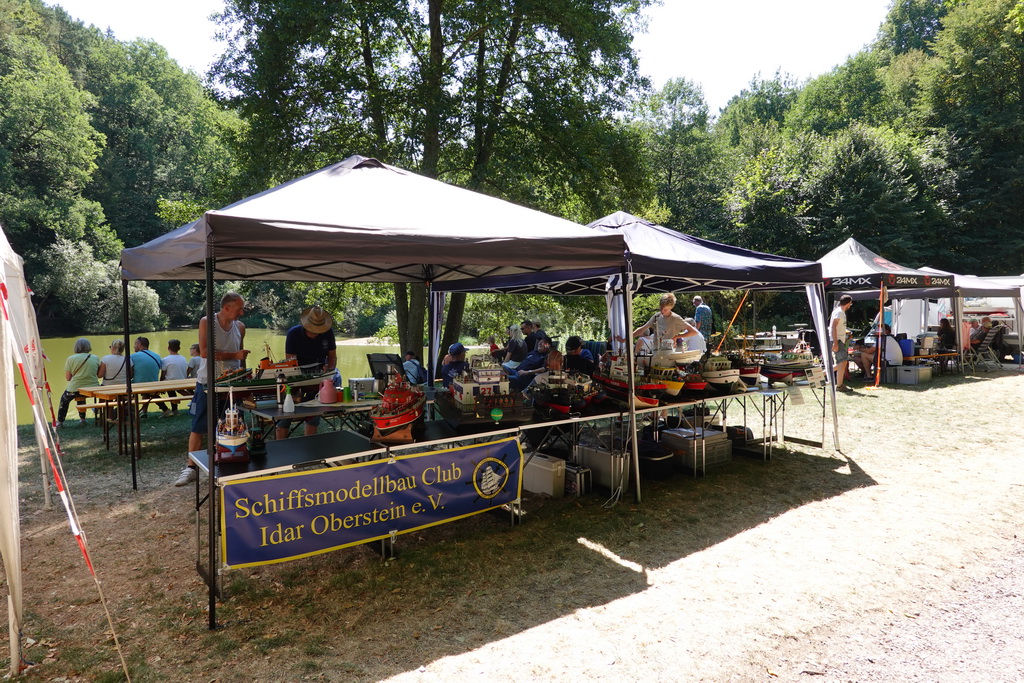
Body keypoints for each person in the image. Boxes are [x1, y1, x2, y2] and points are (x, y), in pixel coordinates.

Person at [176, 292, 250, 487]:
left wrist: (245, 378)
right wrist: (234, 354)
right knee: (199, 426)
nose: (242, 313)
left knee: (233, 425)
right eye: (239, 309)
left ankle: (231, 464)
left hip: (233, 384)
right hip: (207, 383)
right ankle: (191, 468)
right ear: (226, 307)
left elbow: (241, 357)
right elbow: (204, 352)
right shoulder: (207, 322)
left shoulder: (240, 327)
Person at [275, 306, 338, 441]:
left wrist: (329, 369)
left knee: (314, 411)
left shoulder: (328, 332)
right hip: (297, 374)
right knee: (286, 412)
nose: (316, 333)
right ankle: (279, 445)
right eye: (313, 329)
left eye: (319, 329)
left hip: (319, 374)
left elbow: (332, 356)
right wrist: (298, 380)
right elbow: (290, 360)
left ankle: (309, 445)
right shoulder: (293, 333)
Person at [58, 338, 100, 427]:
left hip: (75, 389)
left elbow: (68, 378)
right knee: (81, 396)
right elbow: (98, 374)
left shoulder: (71, 359)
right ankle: (82, 420)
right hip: (93, 388)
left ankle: (60, 421)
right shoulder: (95, 358)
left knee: (64, 399)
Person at [621, 293, 692, 347]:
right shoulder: (656, 316)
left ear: (671, 308)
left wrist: (677, 336)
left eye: (665, 309)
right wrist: (625, 339)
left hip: (670, 352)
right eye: (661, 308)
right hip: (656, 351)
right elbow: (642, 329)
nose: (662, 311)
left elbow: (693, 332)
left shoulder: (675, 318)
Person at [130, 337, 163, 418]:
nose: (134, 346)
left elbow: (129, 373)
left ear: (139, 344)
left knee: (127, 386)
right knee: (148, 392)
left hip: (139, 384)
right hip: (153, 383)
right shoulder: (157, 356)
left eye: (135, 344)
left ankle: (130, 411)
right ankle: (144, 411)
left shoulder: (132, 357)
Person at [159, 339, 190, 417]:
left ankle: (172, 410)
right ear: (179, 348)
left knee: (171, 390)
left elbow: (163, 373)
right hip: (182, 381)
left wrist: (160, 383)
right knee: (178, 390)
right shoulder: (183, 358)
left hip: (171, 383)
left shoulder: (165, 360)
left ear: (168, 348)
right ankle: (176, 409)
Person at [830, 294, 854, 391]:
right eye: (850, 303)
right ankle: (839, 386)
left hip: (839, 340)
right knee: (842, 362)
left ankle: (819, 376)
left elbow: (837, 327)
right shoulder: (839, 312)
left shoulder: (840, 312)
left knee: (842, 362)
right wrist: (835, 343)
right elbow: (833, 327)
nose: (850, 305)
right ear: (848, 303)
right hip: (837, 340)